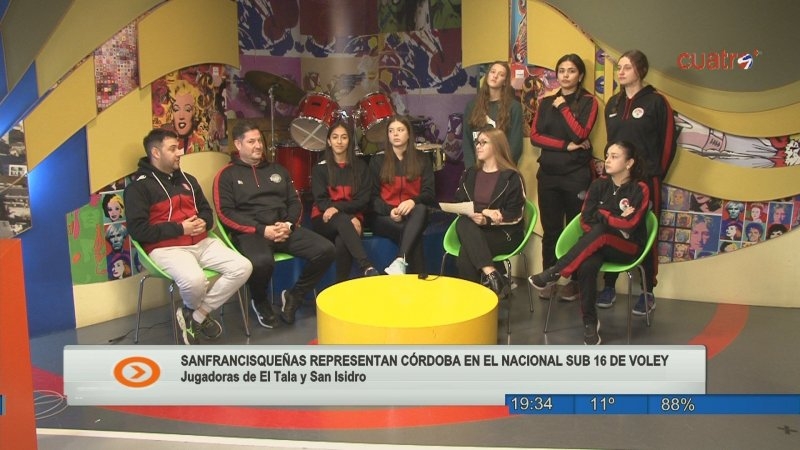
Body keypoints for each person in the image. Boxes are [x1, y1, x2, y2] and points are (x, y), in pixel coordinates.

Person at [124, 129, 252, 345]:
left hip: (202, 242)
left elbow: (206, 212)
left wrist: (204, 222)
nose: (179, 153)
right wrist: (179, 229)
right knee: (194, 281)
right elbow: (138, 230)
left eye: (179, 148)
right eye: (173, 149)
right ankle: (196, 314)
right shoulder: (139, 187)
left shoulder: (188, 180)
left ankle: (195, 314)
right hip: (166, 248)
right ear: (155, 152)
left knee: (243, 267)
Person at [214, 121, 335, 328]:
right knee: (262, 262)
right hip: (252, 233)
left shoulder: (278, 170)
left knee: (326, 250)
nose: (258, 146)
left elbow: (295, 202)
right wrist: (262, 230)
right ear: (238, 145)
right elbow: (225, 213)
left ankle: (295, 295)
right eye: (251, 142)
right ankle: (260, 300)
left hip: (283, 228)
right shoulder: (226, 175)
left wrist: (288, 225)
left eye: (259, 141)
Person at [529, 141, 650, 345]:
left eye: (614, 156)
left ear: (629, 163)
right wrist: (613, 218)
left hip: (627, 247)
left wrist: (602, 215)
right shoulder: (598, 185)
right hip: (598, 244)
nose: (607, 160)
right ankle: (590, 323)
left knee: (601, 231)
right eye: (607, 155)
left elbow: (630, 225)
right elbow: (585, 220)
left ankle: (556, 271)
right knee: (587, 263)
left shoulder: (640, 189)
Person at [599, 50, 677, 315]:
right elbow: (611, 145)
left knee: (645, 233)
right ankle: (609, 286)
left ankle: (647, 291)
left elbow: (668, 143)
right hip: (616, 182)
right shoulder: (613, 104)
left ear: (640, 71)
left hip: (647, 179)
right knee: (610, 228)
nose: (621, 72)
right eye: (619, 67)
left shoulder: (656, 102)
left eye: (627, 67)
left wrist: (655, 173)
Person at [530, 53, 599, 301]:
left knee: (576, 229)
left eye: (571, 71)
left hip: (576, 175)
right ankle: (549, 277)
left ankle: (575, 281)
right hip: (548, 174)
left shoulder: (589, 102)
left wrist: (564, 107)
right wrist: (564, 145)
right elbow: (535, 136)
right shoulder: (546, 102)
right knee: (551, 230)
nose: (565, 75)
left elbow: (580, 133)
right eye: (561, 71)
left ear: (580, 75)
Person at [452, 127, 525, 298]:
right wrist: (483, 211)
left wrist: (488, 221)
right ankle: (492, 275)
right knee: (463, 222)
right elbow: (459, 203)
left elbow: (516, 213)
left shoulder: (511, 177)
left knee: (466, 253)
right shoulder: (470, 173)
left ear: (497, 146)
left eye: (483, 142)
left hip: (503, 233)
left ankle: (474, 302)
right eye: (477, 142)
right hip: (473, 229)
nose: (478, 146)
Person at [310, 120, 378, 282]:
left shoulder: (361, 167)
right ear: (329, 141)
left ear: (349, 141)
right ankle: (366, 265)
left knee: (342, 241)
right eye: (335, 137)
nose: (339, 141)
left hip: (352, 219)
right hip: (323, 218)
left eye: (344, 137)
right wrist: (347, 216)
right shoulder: (320, 168)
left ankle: (340, 286)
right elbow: (321, 201)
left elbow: (363, 200)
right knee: (342, 221)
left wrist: (340, 209)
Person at [368, 115, 435, 275]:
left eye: (400, 130)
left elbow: (429, 194)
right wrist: (390, 211)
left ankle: (399, 262)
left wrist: (412, 201)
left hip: (414, 215)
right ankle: (418, 277)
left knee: (420, 210)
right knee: (412, 233)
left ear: (408, 133)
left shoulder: (422, 159)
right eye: (391, 131)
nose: (395, 134)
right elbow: (371, 198)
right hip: (385, 217)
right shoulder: (378, 161)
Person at [462, 61, 523, 167]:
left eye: (501, 74)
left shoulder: (514, 107)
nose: (495, 76)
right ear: (487, 75)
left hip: (502, 168)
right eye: (493, 72)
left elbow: (515, 146)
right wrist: (471, 169)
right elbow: (467, 141)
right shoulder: (472, 106)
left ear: (505, 82)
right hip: (476, 168)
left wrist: (503, 169)